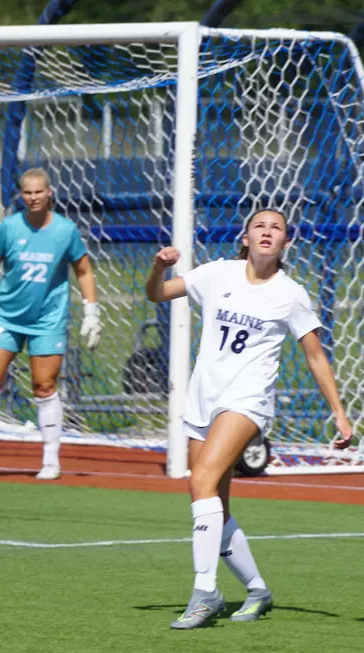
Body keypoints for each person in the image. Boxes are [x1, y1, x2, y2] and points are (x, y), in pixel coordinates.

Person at [145, 208, 353, 629]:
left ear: (285, 243)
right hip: (204, 396)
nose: (267, 231)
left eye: (276, 228)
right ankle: (257, 589)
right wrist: (158, 266)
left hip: (247, 400)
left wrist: (339, 413)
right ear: (244, 237)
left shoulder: (290, 293)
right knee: (213, 502)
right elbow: (157, 295)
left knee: (199, 481)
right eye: (260, 225)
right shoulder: (217, 273)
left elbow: (315, 355)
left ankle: (205, 593)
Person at [0, 168, 101, 481]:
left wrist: (92, 312)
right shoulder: (9, 227)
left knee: (44, 386)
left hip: (47, 320)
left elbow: (84, 270)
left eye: (39, 192)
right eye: (28, 193)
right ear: (21, 195)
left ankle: (51, 459)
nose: (33, 198)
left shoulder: (65, 230)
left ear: (49, 193)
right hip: (6, 317)